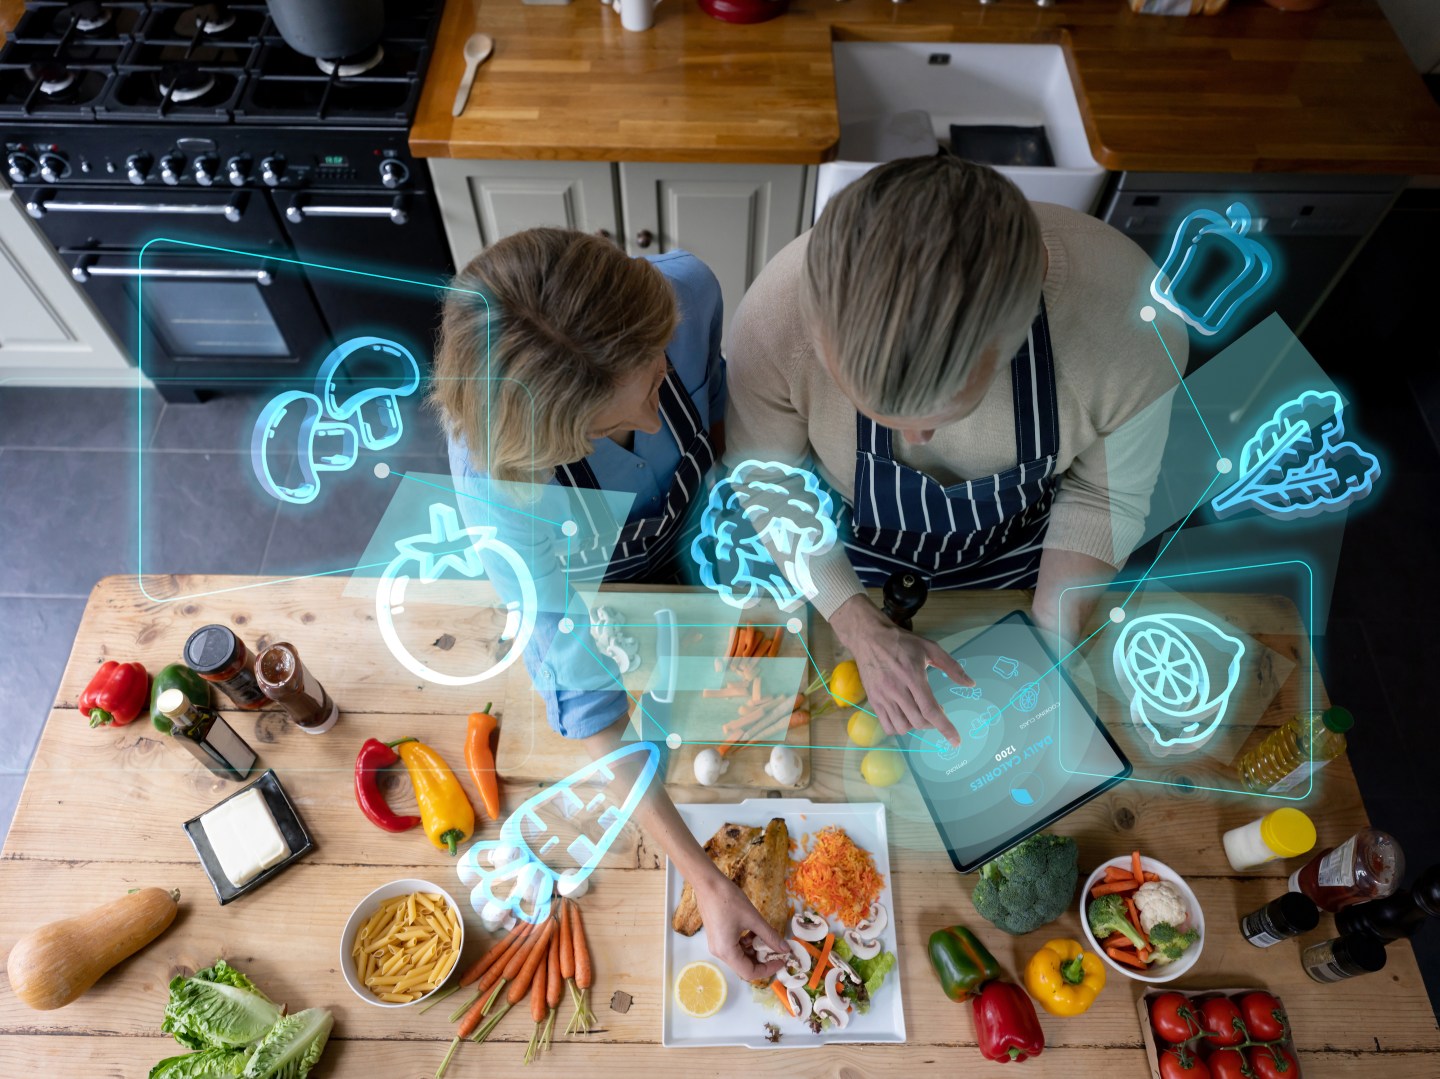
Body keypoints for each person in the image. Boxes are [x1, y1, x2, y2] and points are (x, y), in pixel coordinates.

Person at [726, 155, 1187, 746]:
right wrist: (856, 623)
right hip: (843, 547)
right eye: (875, 415)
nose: (914, 447)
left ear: (1013, 335)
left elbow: (1102, 496)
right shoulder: (773, 322)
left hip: (1025, 553)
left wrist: (1052, 648)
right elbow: (773, 484)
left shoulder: (1134, 329)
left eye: (936, 420)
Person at [430, 228, 788, 982]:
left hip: (700, 532)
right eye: (606, 429)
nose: (657, 424)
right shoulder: (501, 487)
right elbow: (586, 693)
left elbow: (720, 415)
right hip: (599, 588)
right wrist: (706, 879)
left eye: (659, 379)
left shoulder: (686, 290)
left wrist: (732, 529)